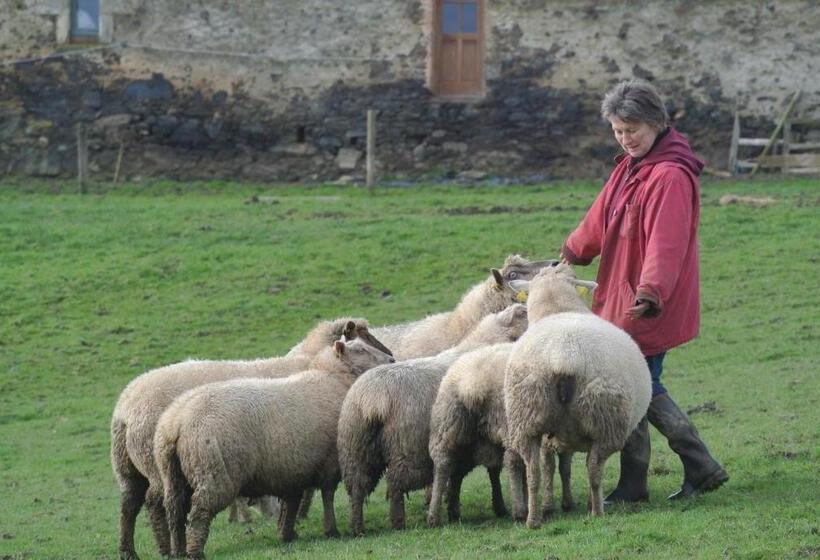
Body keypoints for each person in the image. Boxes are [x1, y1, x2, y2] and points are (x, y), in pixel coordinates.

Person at [560, 79, 728, 502]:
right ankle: (637, 483)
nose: (625, 138)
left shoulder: (670, 176)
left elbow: (666, 244)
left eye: (631, 129)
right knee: (630, 384)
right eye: (618, 130)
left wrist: (652, 292)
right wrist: (571, 254)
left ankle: (698, 465)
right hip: (622, 295)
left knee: (642, 386)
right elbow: (599, 220)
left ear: (655, 123)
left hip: (649, 302)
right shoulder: (629, 168)